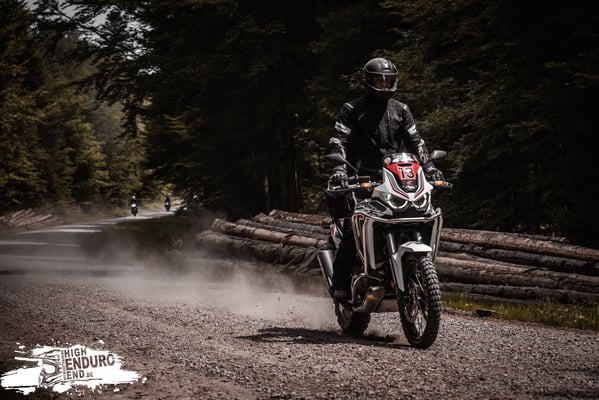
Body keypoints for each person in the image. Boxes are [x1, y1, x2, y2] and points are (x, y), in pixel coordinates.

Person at [327, 57, 444, 301]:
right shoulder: (352, 109)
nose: (384, 84)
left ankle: (411, 270)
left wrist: (430, 168)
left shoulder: (401, 109)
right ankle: (340, 285)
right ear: (368, 81)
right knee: (352, 228)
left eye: (388, 80)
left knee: (419, 215)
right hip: (361, 179)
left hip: (396, 178)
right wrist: (340, 169)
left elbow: (416, 142)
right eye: (379, 80)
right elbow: (339, 140)